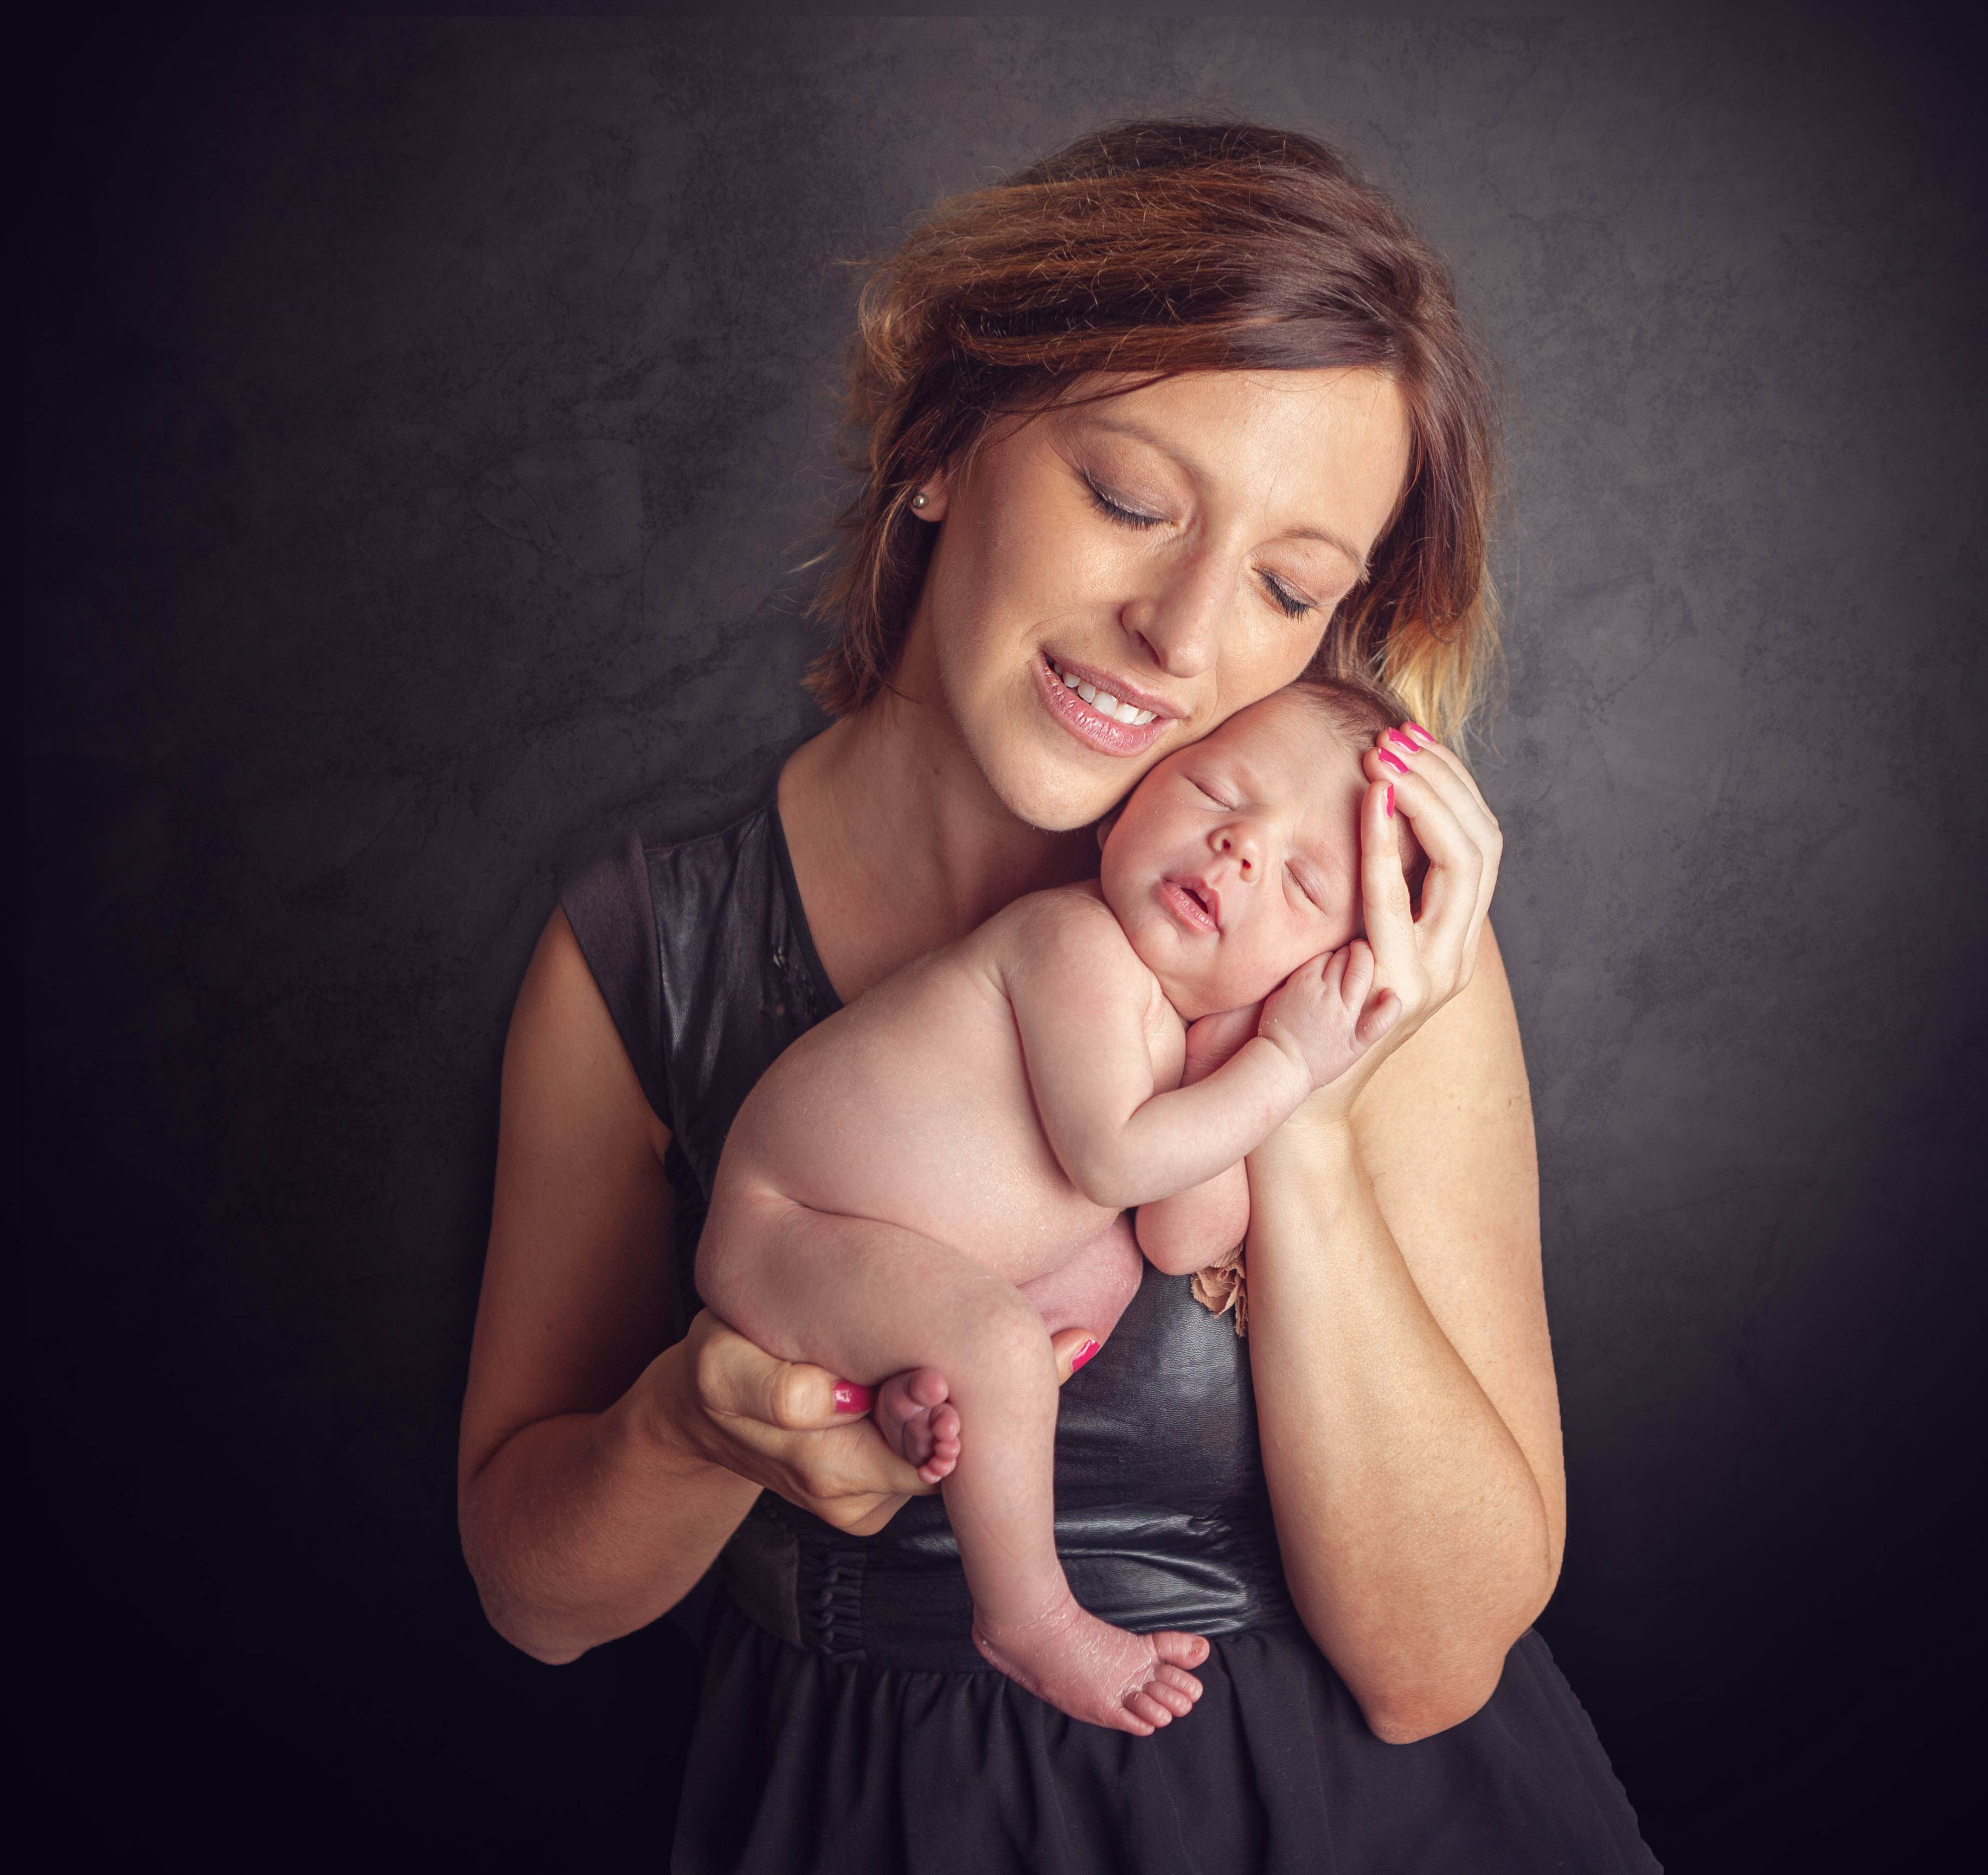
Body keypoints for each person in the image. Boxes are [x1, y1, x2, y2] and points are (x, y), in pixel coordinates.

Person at [458, 121, 1658, 1871]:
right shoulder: (645, 952)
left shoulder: (1346, 960)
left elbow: (1430, 1664)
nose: (1181, 632)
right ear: (939, 440)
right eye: (1128, 498)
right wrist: (689, 1425)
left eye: (1286, 584)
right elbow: (528, 1595)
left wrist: (1306, 1096)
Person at [695, 680, 1427, 1736]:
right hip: (789, 1224)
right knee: (1001, 1332)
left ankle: (915, 1390)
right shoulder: (1071, 942)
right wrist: (1279, 1061)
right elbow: (1115, 1158)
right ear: (1131, 796)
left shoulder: (1188, 1042)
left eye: (1303, 884)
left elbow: (1183, 1232)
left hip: (889, 1266)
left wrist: (1247, 1044)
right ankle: (1029, 1618)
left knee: (1106, 1273)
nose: (1239, 852)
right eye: (1218, 792)